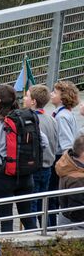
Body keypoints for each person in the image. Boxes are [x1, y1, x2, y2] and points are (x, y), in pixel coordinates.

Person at [0, 84, 46, 232]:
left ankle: (7, 250)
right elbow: (44, 142)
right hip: (26, 173)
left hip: (4, 175)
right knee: (28, 218)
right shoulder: (26, 117)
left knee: (5, 220)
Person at [48, 79, 79, 226]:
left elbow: (67, 143)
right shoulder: (64, 113)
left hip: (60, 157)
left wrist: (64, 164)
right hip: (60, 156)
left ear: (63, 97)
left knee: (52, 194)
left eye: (55, 92)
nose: (51, 94)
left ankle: (52, 226)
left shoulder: (61, 117)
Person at [24, 84, 58, 215]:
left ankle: (32, 232)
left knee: (31, 204)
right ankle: (47, 229)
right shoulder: (52, 119)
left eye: (27, 96)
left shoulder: (31, 120)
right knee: (43, 205)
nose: (24, 98)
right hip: (48, 166)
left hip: (35, 167)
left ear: (33, 101)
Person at [55, 133, 84, 229]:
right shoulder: (77, 178)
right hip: (75, 227)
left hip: (67, 221)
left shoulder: (69, 164)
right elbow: (77, 213)